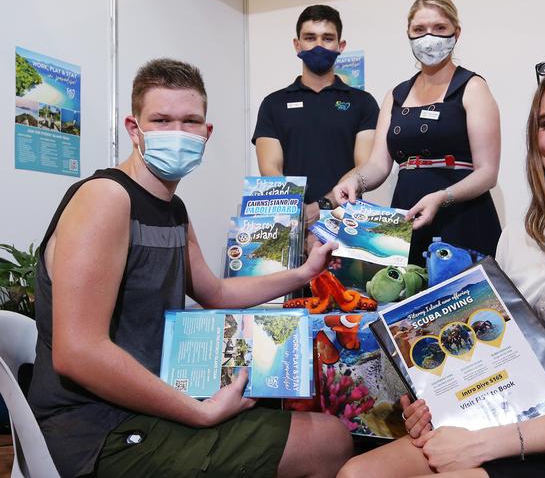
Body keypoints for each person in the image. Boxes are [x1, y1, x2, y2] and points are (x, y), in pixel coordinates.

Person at [27, 58, 353, 478]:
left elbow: (215, 292)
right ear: (134, 128)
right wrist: (200, 413)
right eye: (160, 120)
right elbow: (78, 353)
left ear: (206, 132)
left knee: (301, 405)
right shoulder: (106, 198)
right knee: (330, 439)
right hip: (98, 432)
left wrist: (304, 272)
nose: (177, 134)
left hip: (148, 404)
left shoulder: (172, 209)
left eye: (189, 121)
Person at [336, 54, 545, 478]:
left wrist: (484, 443)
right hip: (505, 416)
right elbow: (493, 346)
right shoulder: (524, 231)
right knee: (357, 473)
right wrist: (432, 399)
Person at [333, 0, 501, 266]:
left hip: (464, 219)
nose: (429, 37)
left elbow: (487, 173)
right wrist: (354, 181)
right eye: (419, 30)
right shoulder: (396, 95)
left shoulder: (472, 87)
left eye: (439, 28)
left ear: (456, 33)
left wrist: (442, 198)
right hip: (409, 219)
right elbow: (377, 164)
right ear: (409, 34)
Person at [252, 4, 379, 228]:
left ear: (340, 46)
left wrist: (322, 205)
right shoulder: (273, 104)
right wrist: (298, 211)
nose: (319, 45)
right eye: (310, 37)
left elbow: (366, 165)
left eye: (327, 38)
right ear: (297, 44)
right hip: (291, 222)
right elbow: (270, 167)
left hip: (345, 220)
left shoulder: (363, 103)